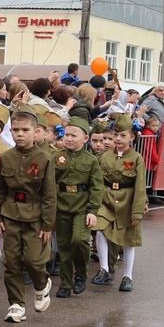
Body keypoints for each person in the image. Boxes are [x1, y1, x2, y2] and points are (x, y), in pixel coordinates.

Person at [0, 106, 57, 323]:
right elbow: (0, 189)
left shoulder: (45, 158)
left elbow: (50, 194)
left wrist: (48, 224)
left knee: (33, 259)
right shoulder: (5, 157)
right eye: (15, 130)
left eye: (25, 130)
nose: (19, 134)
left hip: (35, 217)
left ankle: (41, 285)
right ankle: (16, 304)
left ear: (35, 131)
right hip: (11, 213)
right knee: (11, 261)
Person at [94, 116, 147, 290]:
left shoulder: (137, 158)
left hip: (127, 202)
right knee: (101, 230)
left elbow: (140, 186)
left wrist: (137, 211)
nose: (118, 139)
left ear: (132, 137)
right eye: (116, 134)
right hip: (107, 200)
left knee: (128, 240)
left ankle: (127, 276)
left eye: (123, 135)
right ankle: (104, 269)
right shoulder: (105, 157)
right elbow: (98, 181)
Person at [53, 115, 103, 298]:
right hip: (62, 206)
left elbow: (97, 187)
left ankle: (81, 274)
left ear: (85, 139)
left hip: (82, 207)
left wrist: (93, 211)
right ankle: (66, 283)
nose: (69, 138)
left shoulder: (90, 160)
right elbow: (50, 184)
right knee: (64, 246)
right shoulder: (56, 158)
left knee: (80, 241)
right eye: (66, 135)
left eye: (74, 135)